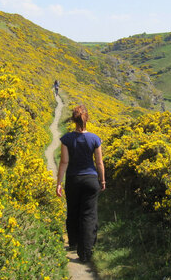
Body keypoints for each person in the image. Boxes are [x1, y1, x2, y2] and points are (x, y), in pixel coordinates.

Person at [56, 104, 105, 263]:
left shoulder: (67, 139)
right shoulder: (95, 138)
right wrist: (102, 180)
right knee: (89, 215)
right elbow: (99, 163)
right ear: (87, 119)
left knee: (73, 211)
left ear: (73, 120)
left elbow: (64, 162)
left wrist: (58, 183)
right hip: (91, 180)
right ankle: (85, 252)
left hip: (73, 179)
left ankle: (74, 242)